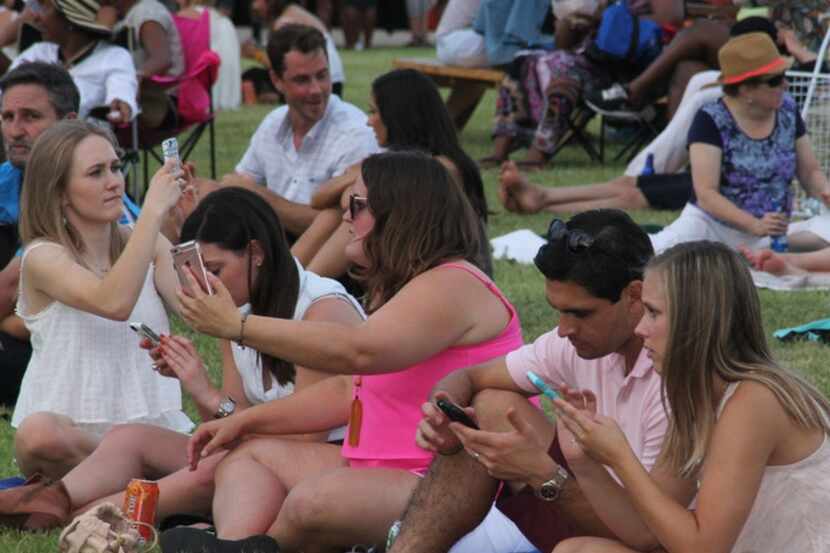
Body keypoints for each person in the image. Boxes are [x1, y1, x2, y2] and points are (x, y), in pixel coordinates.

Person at [156, 150, 523, 553]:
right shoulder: (408, 286)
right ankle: (234, 545)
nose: (346, 216)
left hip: (441, 481)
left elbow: (358, 352)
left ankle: (246, 550)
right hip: (372, 466)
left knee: (314, 502)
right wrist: (243, 423)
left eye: (358, 205)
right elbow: (349, 388)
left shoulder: (452, 283)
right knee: (248, 459)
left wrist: (237, 326)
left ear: (401, 213)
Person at [0, 187, 365, 533]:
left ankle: (80, 518)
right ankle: (51, 499)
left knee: (219, 467)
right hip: (258, 455)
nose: (206, 287)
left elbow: (302, 439)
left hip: (330, 461)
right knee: (132, 439)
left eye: (216, 270)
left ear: (256, 253)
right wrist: (195, 384)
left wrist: (207, 394)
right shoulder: (236, 309)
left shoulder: (320, 310)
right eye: (196, 272)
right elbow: (226, 425)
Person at [387, 210, 695, 553]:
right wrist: (444, 412)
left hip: (639, 539)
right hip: (589, 503)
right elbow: (469, 376)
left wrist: (544, 473)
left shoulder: (679, 379)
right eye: (558, 310)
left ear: (634, 296)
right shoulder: (574, 344)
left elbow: (652, 536)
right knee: (492, 407)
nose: (564, 329)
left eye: (580, 313)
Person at [553, 241, 830, 553]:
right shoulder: (698, 399)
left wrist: (620, 457)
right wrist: (585, 461)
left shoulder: (754, 400)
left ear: (697, 320)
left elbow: (704, 548)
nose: (641, 328)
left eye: (653, 313)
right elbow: (645, 532)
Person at [10, 119, 192, 484]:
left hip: (149, 430)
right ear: (59, 192)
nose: (113, 181)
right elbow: (113, 303)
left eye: (115, 167)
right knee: (37, 433)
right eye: (95, 173)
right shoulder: (42, 256)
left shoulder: (147, 242)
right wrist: (151, 214)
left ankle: (138, 479)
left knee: (225, 458)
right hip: (72, 436)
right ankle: (157, 479)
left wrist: (187, 225)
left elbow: (204, 313)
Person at [0, 62, 141, 409]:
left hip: (72, 358)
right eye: (7, 117)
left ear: (68, 123)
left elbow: (6, 288)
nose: (16, 130)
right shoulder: (6, 180)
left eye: (30, 117)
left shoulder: (99, 201)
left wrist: (13, 320)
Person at [292, 68, 491, 279]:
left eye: (374, 112)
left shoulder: (442, 169)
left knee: (357, 213)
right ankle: (288, 283)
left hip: (446, 277)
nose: (369, 121)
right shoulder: (391, 163)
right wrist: (361, 173)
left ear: (399, 115)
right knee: (335, 214)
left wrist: (358, 174)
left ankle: (301, 290)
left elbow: (349, 201)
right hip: (405, 266)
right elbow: (318, 198)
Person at [649, 32, 830, 254]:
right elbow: (706, 194)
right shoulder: (710, 120)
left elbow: (810, 172)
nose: (785, 84)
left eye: (783, 75)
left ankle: (753, 257)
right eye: (774, 80)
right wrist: (754, 225)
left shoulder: (788, 110)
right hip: (710, 228)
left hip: (773, 233)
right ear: (745, 89)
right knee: (653, 254)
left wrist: (825, 191)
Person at [211, 24, 377, 240]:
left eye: (322, 76)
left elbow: (338, 227)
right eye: (302, 80)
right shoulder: (273, 123)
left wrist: (255, 194)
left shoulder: (355, 133)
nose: (316, 90)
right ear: (276, 81)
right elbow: (237, 183)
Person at [11, 0, 137, 124]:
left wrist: (120, 105)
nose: (36, 18)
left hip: (83, 139)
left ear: (70, 20)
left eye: (45, 9)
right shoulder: (37, 52)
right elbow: (5, 91)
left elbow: (122, 92)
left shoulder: (113, 57)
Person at [241, 0, 345, 100]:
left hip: (320, 82)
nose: (253, 6)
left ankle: (269, 96)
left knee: (252, 75)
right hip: (331, 81)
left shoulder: (283, 22)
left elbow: (282, 64)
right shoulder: (294, 11)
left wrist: (255, 54)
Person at [108, 0, 185, 128]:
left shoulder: (147, 12)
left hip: (160, 100)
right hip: (133, 96)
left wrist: (132, 79)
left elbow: (162, 60)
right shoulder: (122, 15)